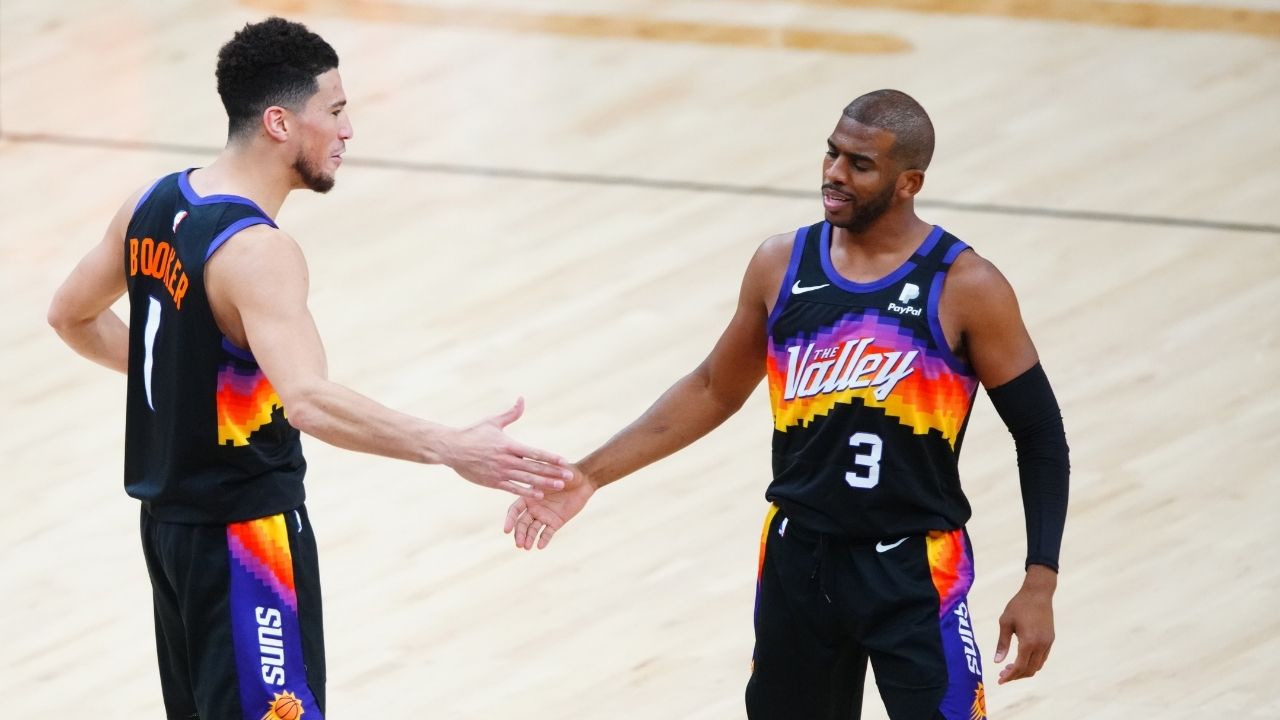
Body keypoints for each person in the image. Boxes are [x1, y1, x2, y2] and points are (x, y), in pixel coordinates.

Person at [46, 17, 571, 720]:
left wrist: (183, 378)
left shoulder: (153, 202)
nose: (347, 131)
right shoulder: (258, 251)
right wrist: (450, 446)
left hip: (168, 532)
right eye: (335, 110)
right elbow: (309, 401)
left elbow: (71, 315)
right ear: (279, 122)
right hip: (246, 539)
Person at [505, 89, 1069, 719]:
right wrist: (589, 475)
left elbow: (1040, 436)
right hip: (798, 559)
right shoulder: (781, 264)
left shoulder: (966, 286)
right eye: (832, 154)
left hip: (913, 568)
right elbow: (713, 388)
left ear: (909, 183)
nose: (834, 173)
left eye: (860, 164)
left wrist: (1039, 579)